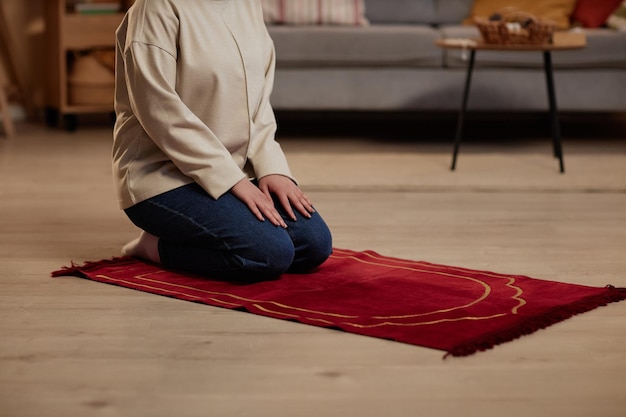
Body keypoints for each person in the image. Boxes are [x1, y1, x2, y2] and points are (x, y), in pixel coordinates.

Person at [112, 0, 332, 282]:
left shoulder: (248, 4)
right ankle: (154, 246)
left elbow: (258, 101)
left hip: (233, 170)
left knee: (314, 245)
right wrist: (232, 181)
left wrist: (271, 167)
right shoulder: (156, 8)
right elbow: (159, 112)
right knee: (268, 254)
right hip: (162, 177)